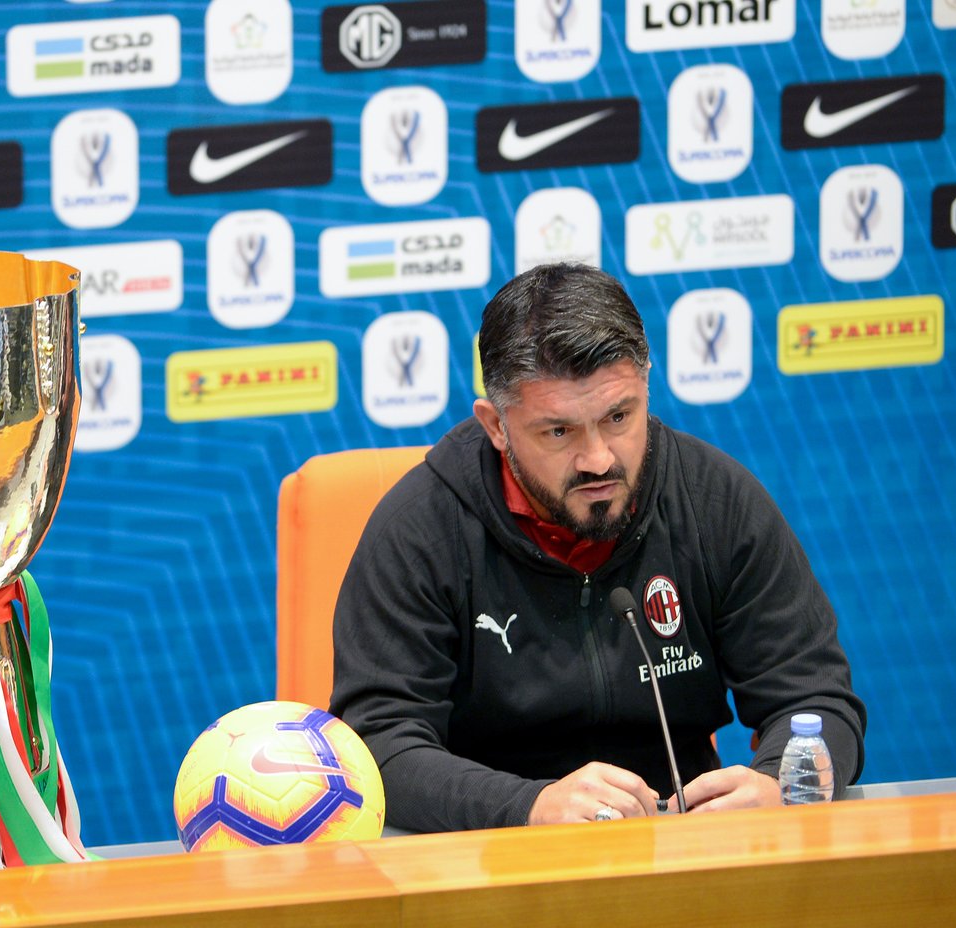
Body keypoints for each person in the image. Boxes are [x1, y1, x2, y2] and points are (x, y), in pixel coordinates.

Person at [329, 263, 866, 833]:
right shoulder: (420, 530)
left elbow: (815, 700)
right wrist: (527, 806)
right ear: (496, 426)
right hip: (488, 851)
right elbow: (378, 744)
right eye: (558, 432)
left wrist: (781, 785)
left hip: (680, 849)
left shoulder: (715, 501)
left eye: (618, 417)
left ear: (646, 386)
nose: (599, 460)